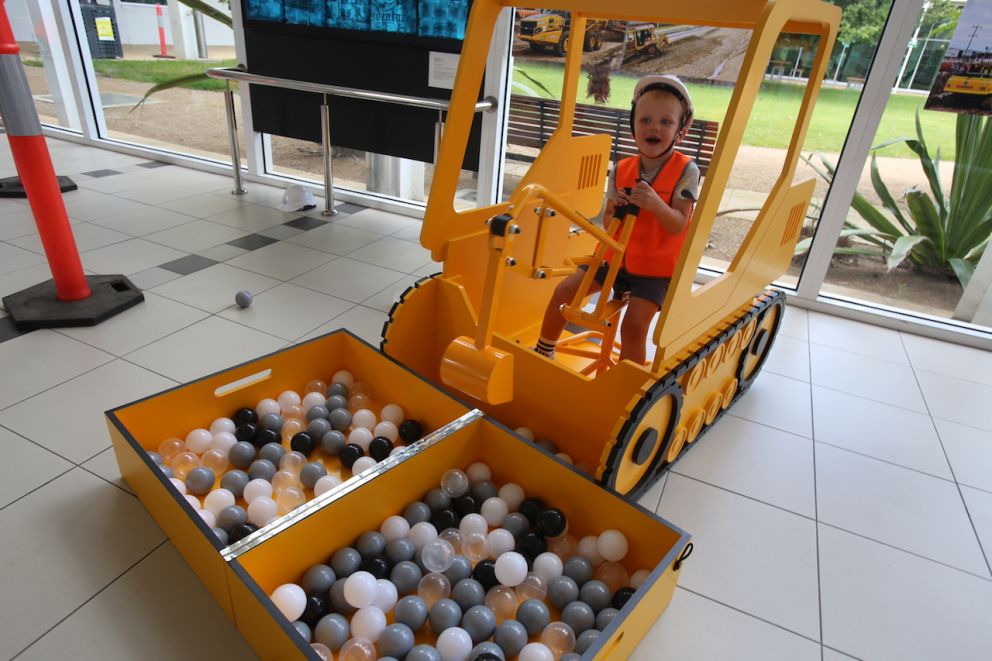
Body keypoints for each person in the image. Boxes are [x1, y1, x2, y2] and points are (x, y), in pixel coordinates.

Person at [534, 74, 700, 366]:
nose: (654, 128)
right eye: (646, 120)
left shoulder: (687, 170)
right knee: (564, 292)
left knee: (634, 327)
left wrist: (654, 203)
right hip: (613, 258)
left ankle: (625, 386)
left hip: (655, 270)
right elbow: (608, 220)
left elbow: (678, 224)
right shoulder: (622, 167)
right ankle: (544, 350)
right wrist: (616, 210)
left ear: (680, 132)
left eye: (665, 122)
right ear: (634, 124)